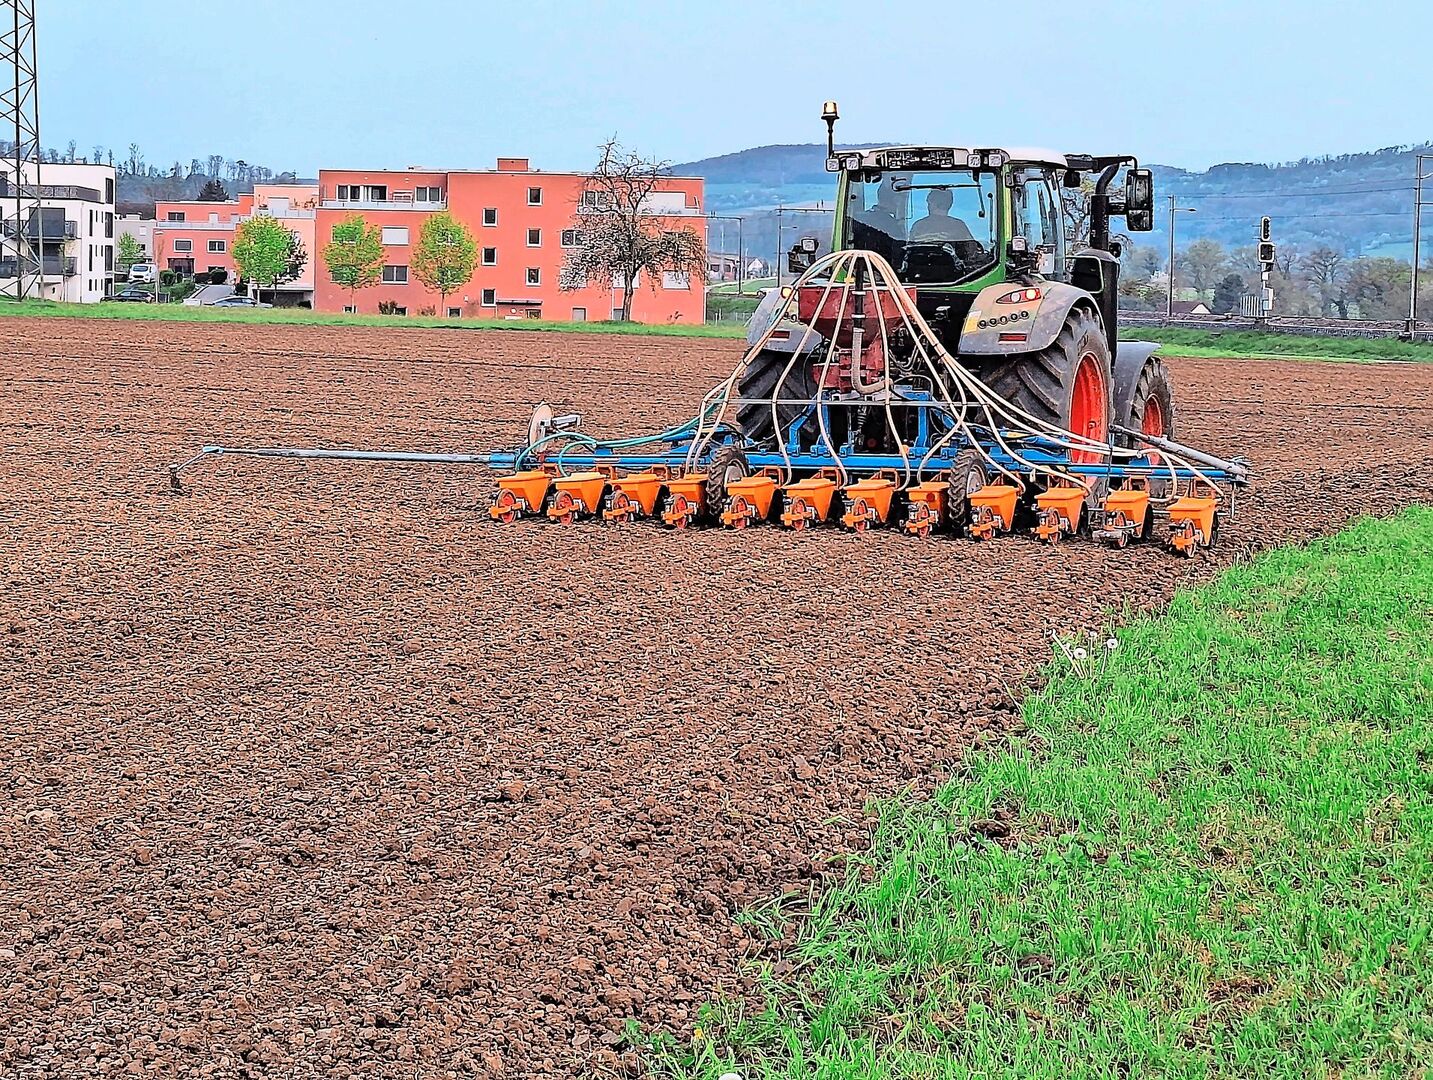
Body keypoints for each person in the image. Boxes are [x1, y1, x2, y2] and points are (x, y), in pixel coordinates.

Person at [909, 188, 973, 243]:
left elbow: (909, 247)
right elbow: (971, 249)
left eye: (929, 203)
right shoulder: (959, 226)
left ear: (933, 204)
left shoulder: (919, 225)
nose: (928, 206)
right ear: (949, 204)